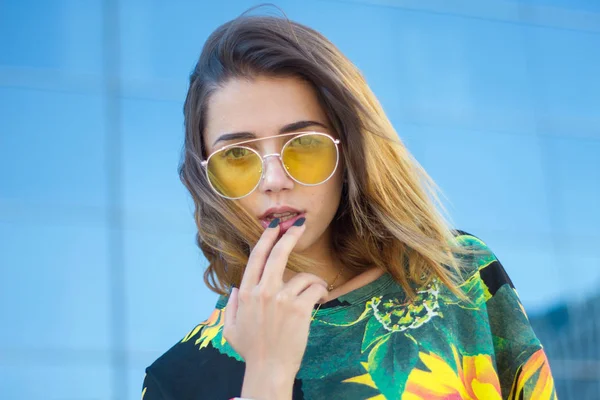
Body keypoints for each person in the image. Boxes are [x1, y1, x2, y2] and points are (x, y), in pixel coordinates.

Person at [140, 13, 557, 400]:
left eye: (303, 145)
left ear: (351, 152)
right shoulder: (176, 380)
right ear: (204, 177)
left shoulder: (459, 278)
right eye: (237, 156)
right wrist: (267, 373)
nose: (273, 181)